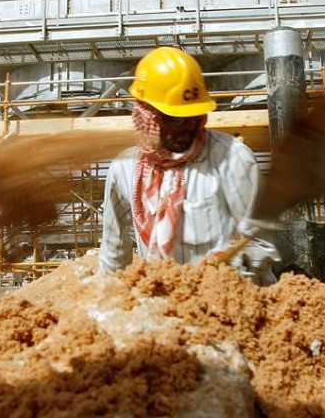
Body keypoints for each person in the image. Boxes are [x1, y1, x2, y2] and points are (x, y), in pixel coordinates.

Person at [99, 46, 278, 283]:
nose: (189, 128)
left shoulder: (232, 158)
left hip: (232, 302)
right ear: (146, 114)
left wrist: (224, 272)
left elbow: (259, 244)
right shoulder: (124, 169)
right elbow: (113, 252)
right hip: (165, 306)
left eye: (195, 116)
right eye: (176, 119)